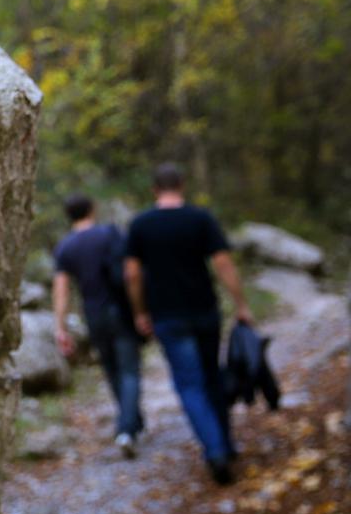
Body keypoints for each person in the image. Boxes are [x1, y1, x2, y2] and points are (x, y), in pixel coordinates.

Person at [124, 163, 252, 485]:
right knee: (212, 377)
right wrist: (241, 304)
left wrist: (140, 312)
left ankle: (216, 450)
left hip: (167, 316)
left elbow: (132, 273)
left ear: (154, 189)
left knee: (189, 384)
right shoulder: (200, 218)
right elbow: (222, 263)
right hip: (205, 311)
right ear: (182, 184)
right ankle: (225, 444)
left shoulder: (141, 225)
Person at [52, 194, 144, 457]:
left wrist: (61, 328)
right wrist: (141, 310)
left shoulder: (64, 248)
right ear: (93, 209)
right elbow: (131, 271)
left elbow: (62, 291)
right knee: (129, 370)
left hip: (93, 316)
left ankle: (132, 422)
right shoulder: (110, 233)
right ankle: (127, 428)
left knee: (113, 369)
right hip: (121, 311)